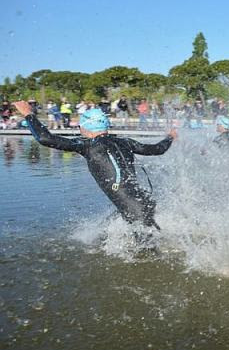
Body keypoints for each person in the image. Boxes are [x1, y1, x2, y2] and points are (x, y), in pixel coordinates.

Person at [13, 101, 177, 243]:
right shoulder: (126, 142)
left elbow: (45, 138)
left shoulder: (88, 146)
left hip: (134, 210)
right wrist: (170, 137)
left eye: (80, 127)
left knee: (146, 257)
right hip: (145, 201)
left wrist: (29, 114)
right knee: (112, 230)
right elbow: (158, 149)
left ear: (86, 128)